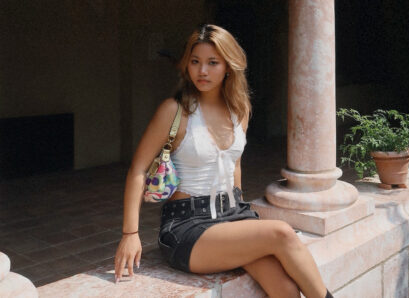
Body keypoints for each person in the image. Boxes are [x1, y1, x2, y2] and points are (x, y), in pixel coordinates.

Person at [114, 24, 333, 298]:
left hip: (232, 216)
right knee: (282, 233)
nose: (202, 71)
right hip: (187, 226)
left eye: (212, 63)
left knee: (285, 289)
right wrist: (129, 233)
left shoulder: (239, 110)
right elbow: (137, 170)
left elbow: (235, 165)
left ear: (228, 66)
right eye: (195, 62)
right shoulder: (175, 111)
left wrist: (241, 216)